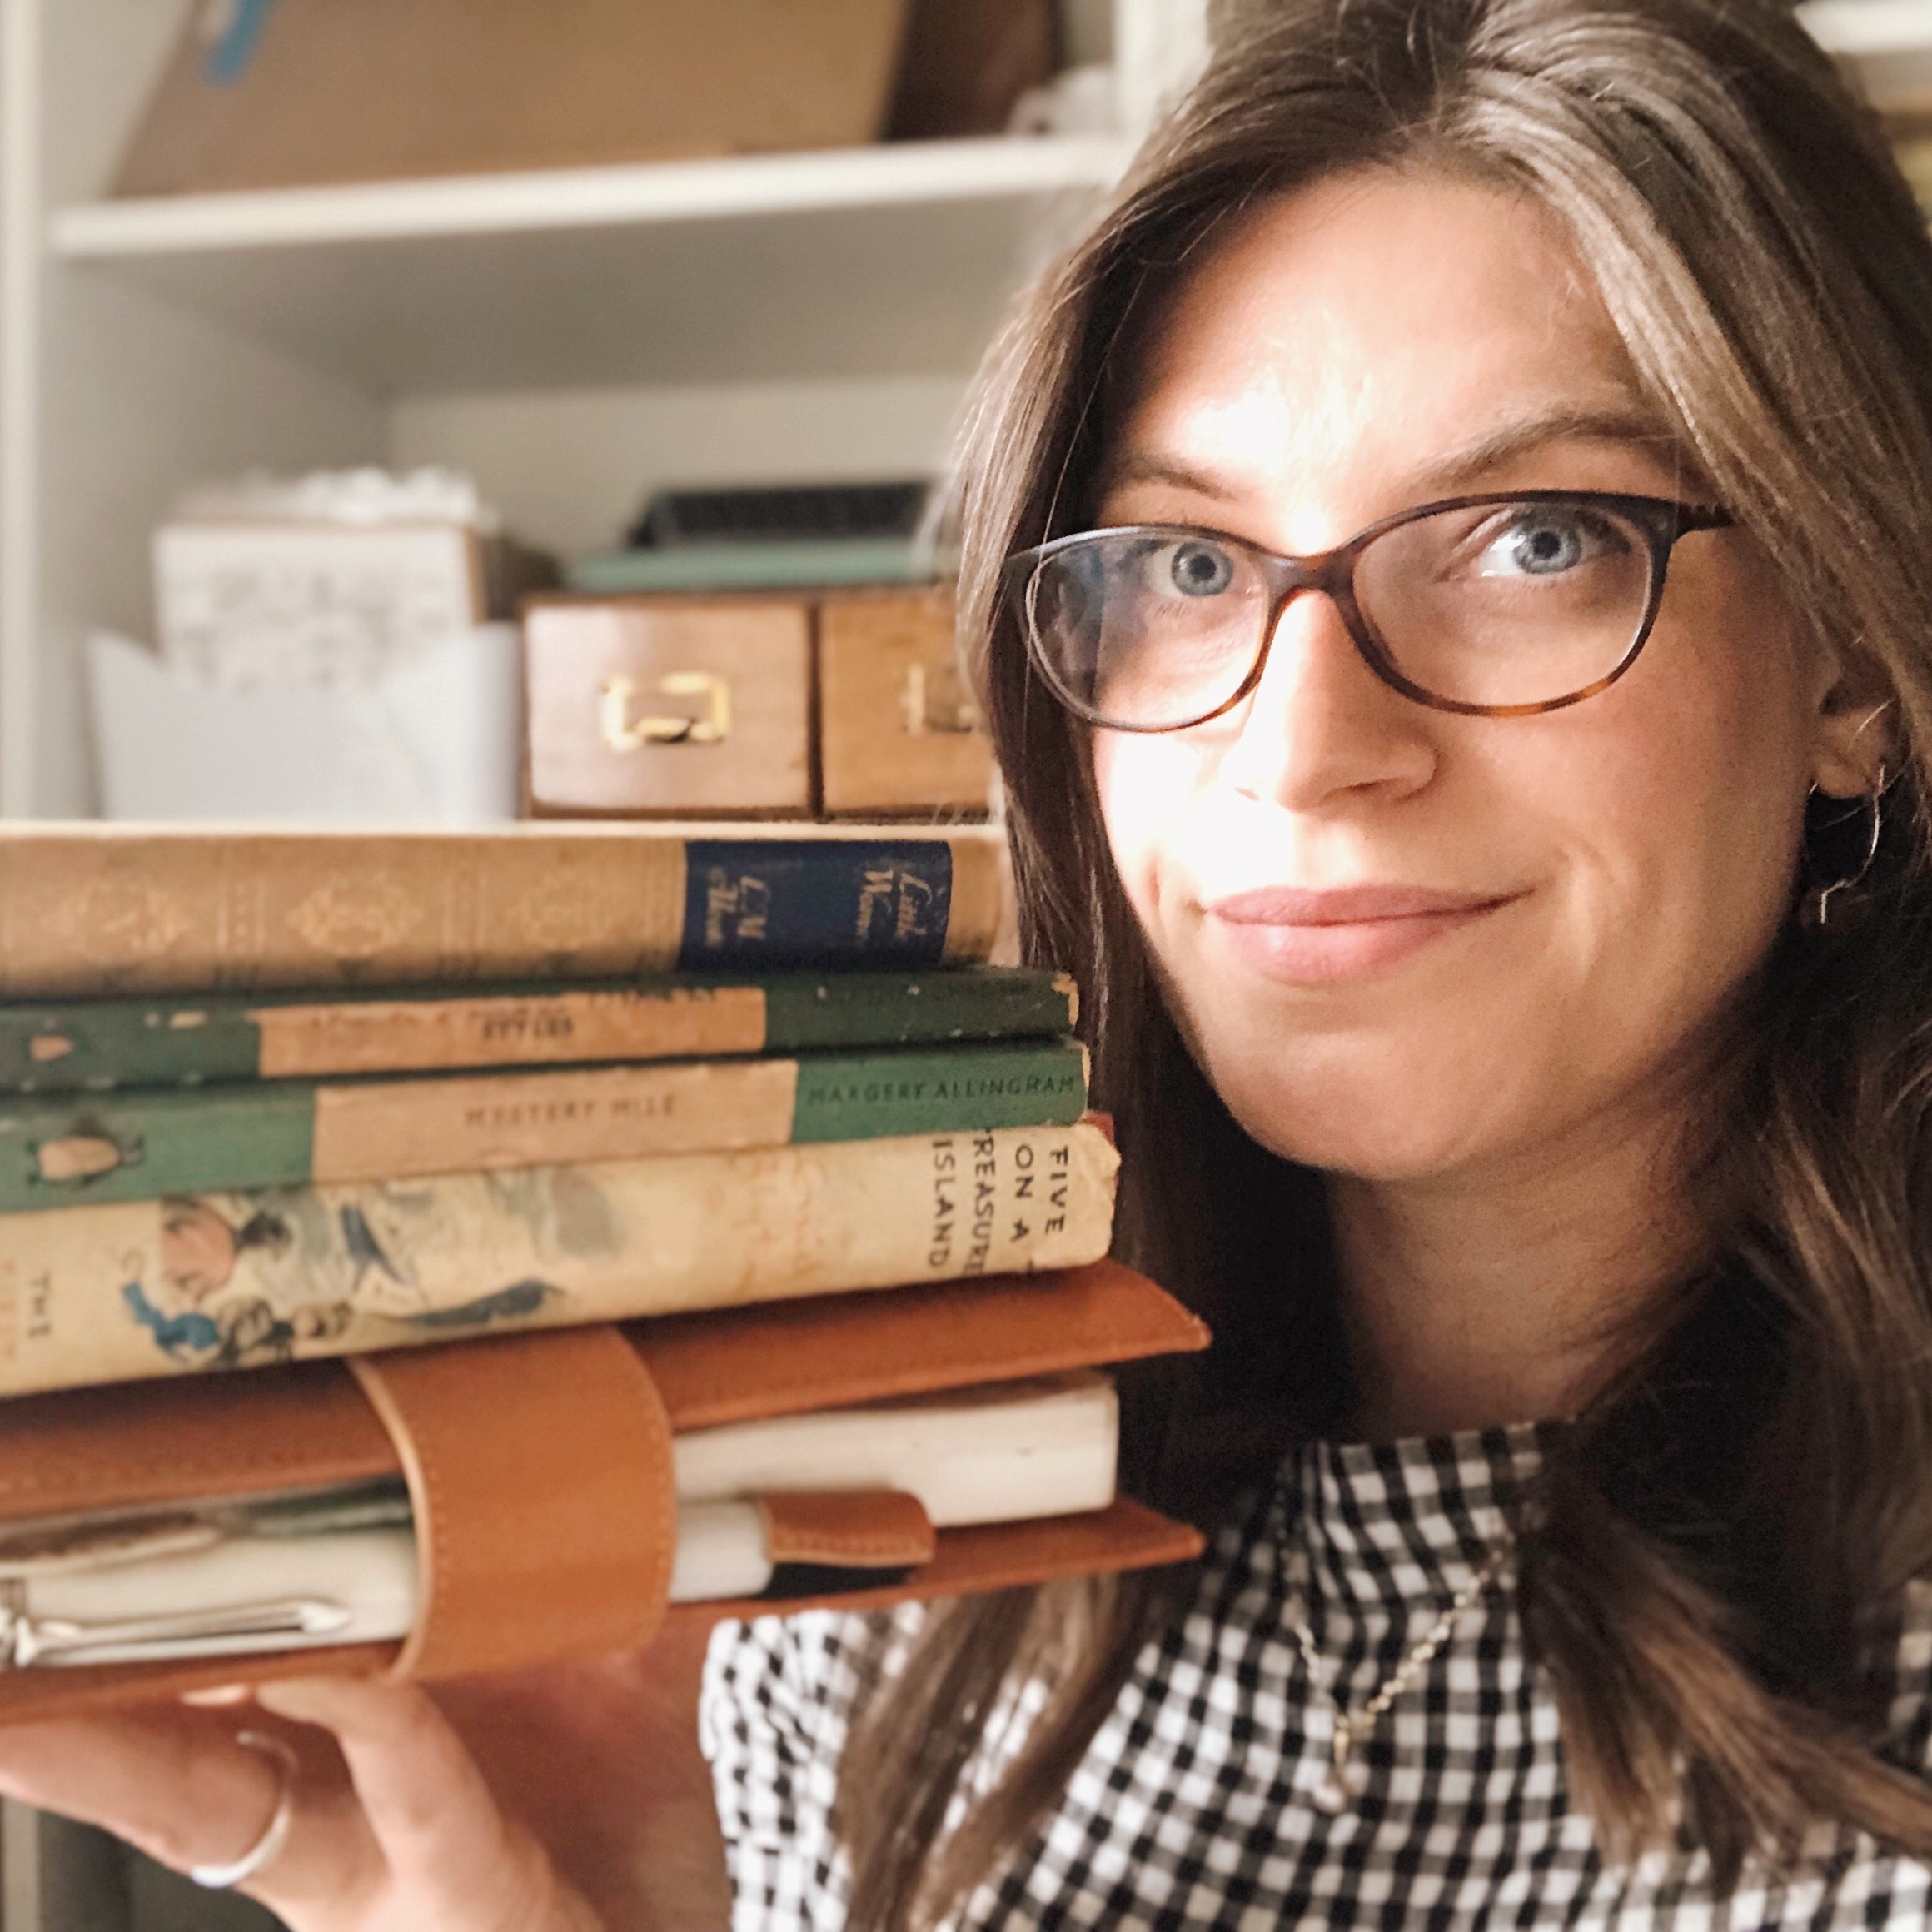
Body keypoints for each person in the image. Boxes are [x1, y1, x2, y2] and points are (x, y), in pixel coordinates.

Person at [4, 0, 1932, 1925]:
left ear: (1845, 660)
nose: (1299, 741)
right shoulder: (909, 1560)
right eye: (1185, 567)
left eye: (1532, 538)